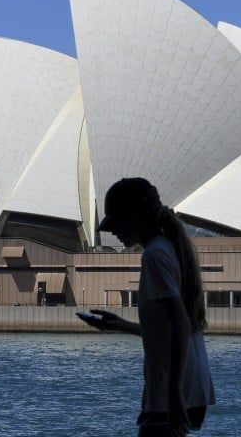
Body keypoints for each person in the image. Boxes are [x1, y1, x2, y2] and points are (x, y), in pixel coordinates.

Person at [79, 177, 215, 436]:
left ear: (133, 217)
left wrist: (173, 395)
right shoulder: (170, 248)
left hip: (169, 389)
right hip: (192, 381)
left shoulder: (154, 255)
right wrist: (120, 325)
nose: (113, 232)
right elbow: (169, 329)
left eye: (116, 222)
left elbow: (180, 324)